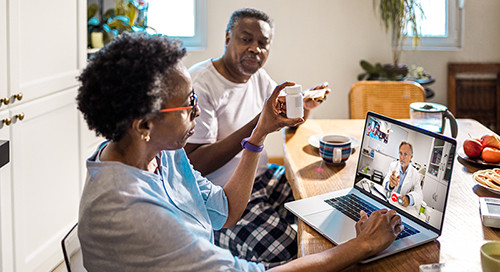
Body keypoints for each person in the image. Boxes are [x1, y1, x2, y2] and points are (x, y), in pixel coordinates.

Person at [76, 32, 402, 271]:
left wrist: (260, 132)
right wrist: (362, 244)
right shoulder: (131, 212)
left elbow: (224, 210)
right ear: (144, 124)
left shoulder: (159, 154)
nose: (197, 112)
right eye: (189, 105)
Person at [185, 8, 328, 266]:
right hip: (224, 196)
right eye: (246, 39)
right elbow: (194, 162)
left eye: (263, 43)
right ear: (228, 38)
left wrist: (303, 108)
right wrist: (258, 125)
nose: (255, 48)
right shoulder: (201, 84)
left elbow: (276, 118)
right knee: (288, 248)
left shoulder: (258, 76)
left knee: (322, 209)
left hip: (262, 178)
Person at [383, 141, 423, 207]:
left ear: (411, 157)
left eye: (405, 154)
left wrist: (409, 199)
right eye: (400, 153)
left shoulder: (415, 174)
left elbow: (419, 194)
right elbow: (385, 182)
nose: (402, 157)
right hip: (390, 200)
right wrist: (390, 185)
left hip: (402, 206)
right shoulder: (393, 166)